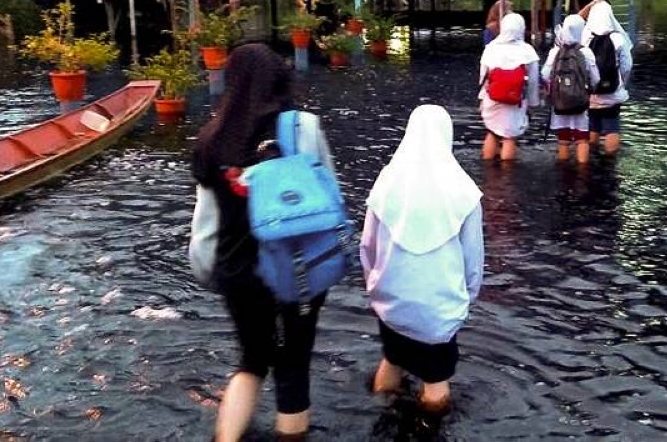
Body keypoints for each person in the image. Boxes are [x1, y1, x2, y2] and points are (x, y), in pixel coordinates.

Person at [191, 44, 336, 442]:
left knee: (251, 361)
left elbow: (205, 225)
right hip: (297, 266)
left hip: (237, 271)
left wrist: (210, 273)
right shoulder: (302, 126)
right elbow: (329, 195)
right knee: (293, 364)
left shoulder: (211, 139)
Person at [361, 104, 484, 416]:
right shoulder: (464, 192)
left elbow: (367, 247)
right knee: (435, 380)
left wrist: (375, 288)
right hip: (439, 310)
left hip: (391, 302)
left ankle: (381, 415)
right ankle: (426, 429)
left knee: (392, 359)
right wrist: (466, 301)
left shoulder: (386, 183)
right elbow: (473, 260)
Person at [478, 12, 540, 161]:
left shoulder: (491, 48)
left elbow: (483, 77)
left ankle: (488, 169)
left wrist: (481, 98)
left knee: (492, 132)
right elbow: (532, 82)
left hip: (492, 98)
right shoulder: (528, 51)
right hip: (515, 100)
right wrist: (533, 102)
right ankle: (507, 175)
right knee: (509, 137)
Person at [541, 14, 600, 165]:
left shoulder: (555, 52)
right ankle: (582, 173)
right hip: (580, 103)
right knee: (582, 140)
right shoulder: (586, 53)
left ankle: (563, 172)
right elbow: (596, 79)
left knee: (563, 140)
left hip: (560, 103)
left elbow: (544, 75)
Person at [580, 0, 633, 157]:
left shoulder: (585, 37)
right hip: (612, 92)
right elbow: (627, 66)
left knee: (593, 125)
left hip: (591, 93)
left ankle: (593, 155)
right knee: (612, 126)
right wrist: (621, 83)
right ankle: (610, 162)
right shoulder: (618, 38)